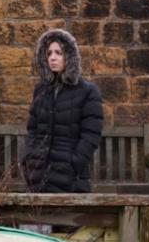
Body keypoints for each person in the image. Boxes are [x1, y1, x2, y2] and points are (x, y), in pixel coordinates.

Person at [22, 29, 103, 193]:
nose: (52, 57)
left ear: (70, 56)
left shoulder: (87, 91)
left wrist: (74, 163)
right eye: (49, 53)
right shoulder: (41, 90)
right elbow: (32, 129)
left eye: (58, 53)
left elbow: (91, 135)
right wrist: (28, 159)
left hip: (71, 181)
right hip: (38, 178)